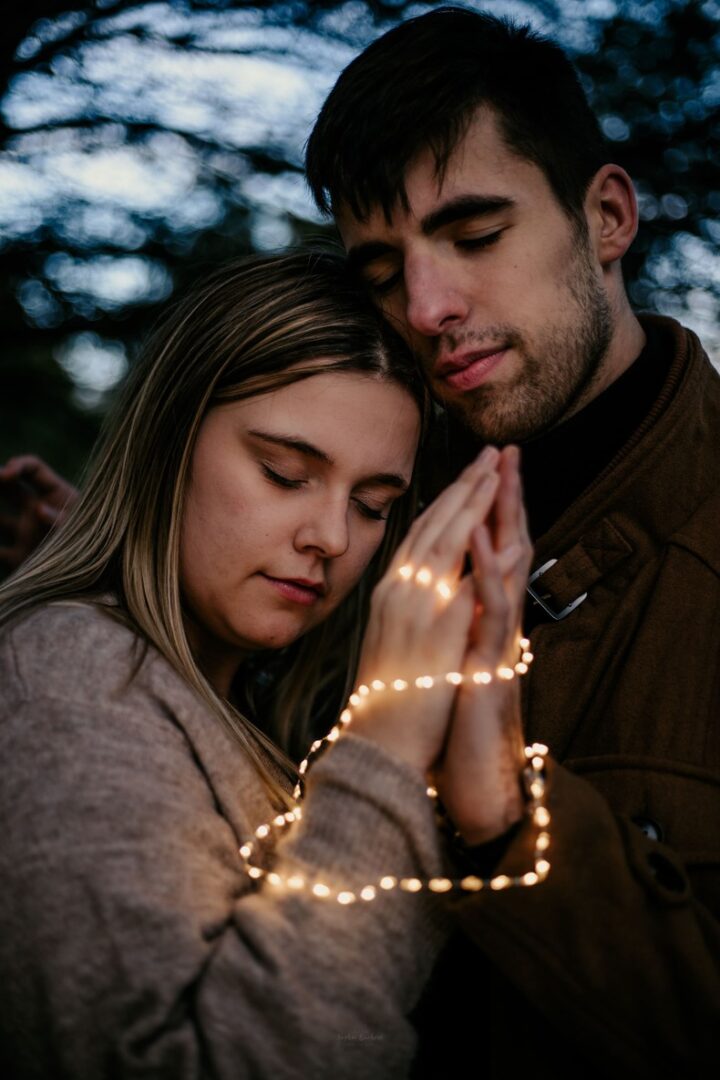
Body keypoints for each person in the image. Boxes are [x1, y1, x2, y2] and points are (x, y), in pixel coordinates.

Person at [303, 6, 720, 1076]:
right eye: (383, 271)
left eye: (476, 235)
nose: (428, 307)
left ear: (610, 217)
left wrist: (510, 825)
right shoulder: (367, 509)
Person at [0, 249, 536, 1079]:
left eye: (372, 506)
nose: (330, 537)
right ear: (169, 444)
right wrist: (385, 745)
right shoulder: (69, 673)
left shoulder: (240, 699)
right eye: (285, 474)